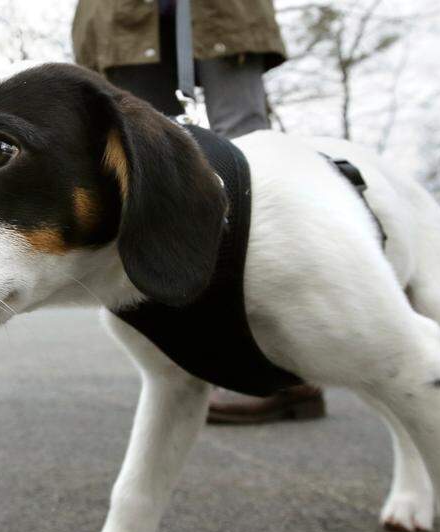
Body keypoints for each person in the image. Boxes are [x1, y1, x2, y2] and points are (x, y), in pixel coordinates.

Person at [72, 0, 327, 424]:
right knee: (145, 159)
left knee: (250, 148)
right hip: (120, 15)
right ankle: (179, 364)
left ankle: (288, 366)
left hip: (222, 10)